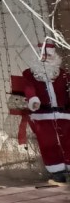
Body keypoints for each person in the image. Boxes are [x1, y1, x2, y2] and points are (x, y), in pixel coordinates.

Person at [22, 38, 70, 186]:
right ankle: (57, 171)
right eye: (43, 56)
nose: (45, 59)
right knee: (48, 142)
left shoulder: (62, 73)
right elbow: (29, 89)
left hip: (64, 114)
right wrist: (33, 100)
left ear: (54, 57)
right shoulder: (29, 74)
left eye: (49, 56)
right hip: (42, 115)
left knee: (68, 140)